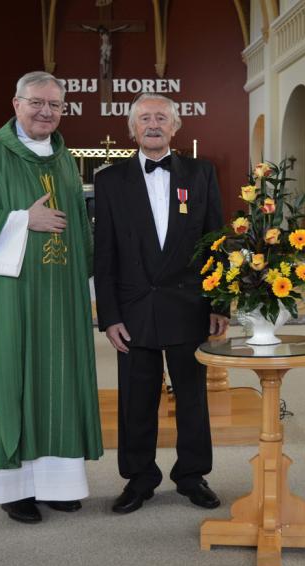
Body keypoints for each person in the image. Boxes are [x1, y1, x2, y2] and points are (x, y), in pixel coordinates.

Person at [0, 71, 103, 524]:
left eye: (54, 105)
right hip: (9, 294)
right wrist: (21, 221)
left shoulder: (62, 158)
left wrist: (88, 282)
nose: (45, 112)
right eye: (36, 102)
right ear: (16, 103)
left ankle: (56, 483)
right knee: (10, 378)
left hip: (58, 295)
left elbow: (79, 226)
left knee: (58, 380)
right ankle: (12, 488)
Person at [94, 93, 228, 514]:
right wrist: (109, 315)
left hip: (188, 303)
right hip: (134, 309)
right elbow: (105, 253)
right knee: (136, 397)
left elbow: (216, 242)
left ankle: (192, 474)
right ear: (132, 129)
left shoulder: (202, 173)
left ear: (175, 127)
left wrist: (219, 304)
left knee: (192, 396)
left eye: (161, 118)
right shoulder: (110, 180)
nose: (152, 125)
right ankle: (139, 478)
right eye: (144, 118)